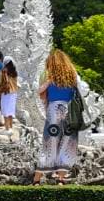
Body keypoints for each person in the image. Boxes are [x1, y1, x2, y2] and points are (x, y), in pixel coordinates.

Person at [33, 48, 81, 184]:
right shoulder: (72, 75)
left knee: (49, 143)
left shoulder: (50, 76)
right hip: (69, 112)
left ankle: (36, 179)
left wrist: (48, 83)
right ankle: (61, 179)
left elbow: (40, 93)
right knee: (67, 144)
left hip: (53, 110)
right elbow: (79, 91)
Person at [0, 61, 18, 129]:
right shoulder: (15, 72)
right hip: (14, 93)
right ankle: (11, 127)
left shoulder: (3, 71)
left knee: (5, 111)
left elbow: (0, 82)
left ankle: (7, 128)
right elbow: (16, 82)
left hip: (6, 93)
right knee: (11, 111)